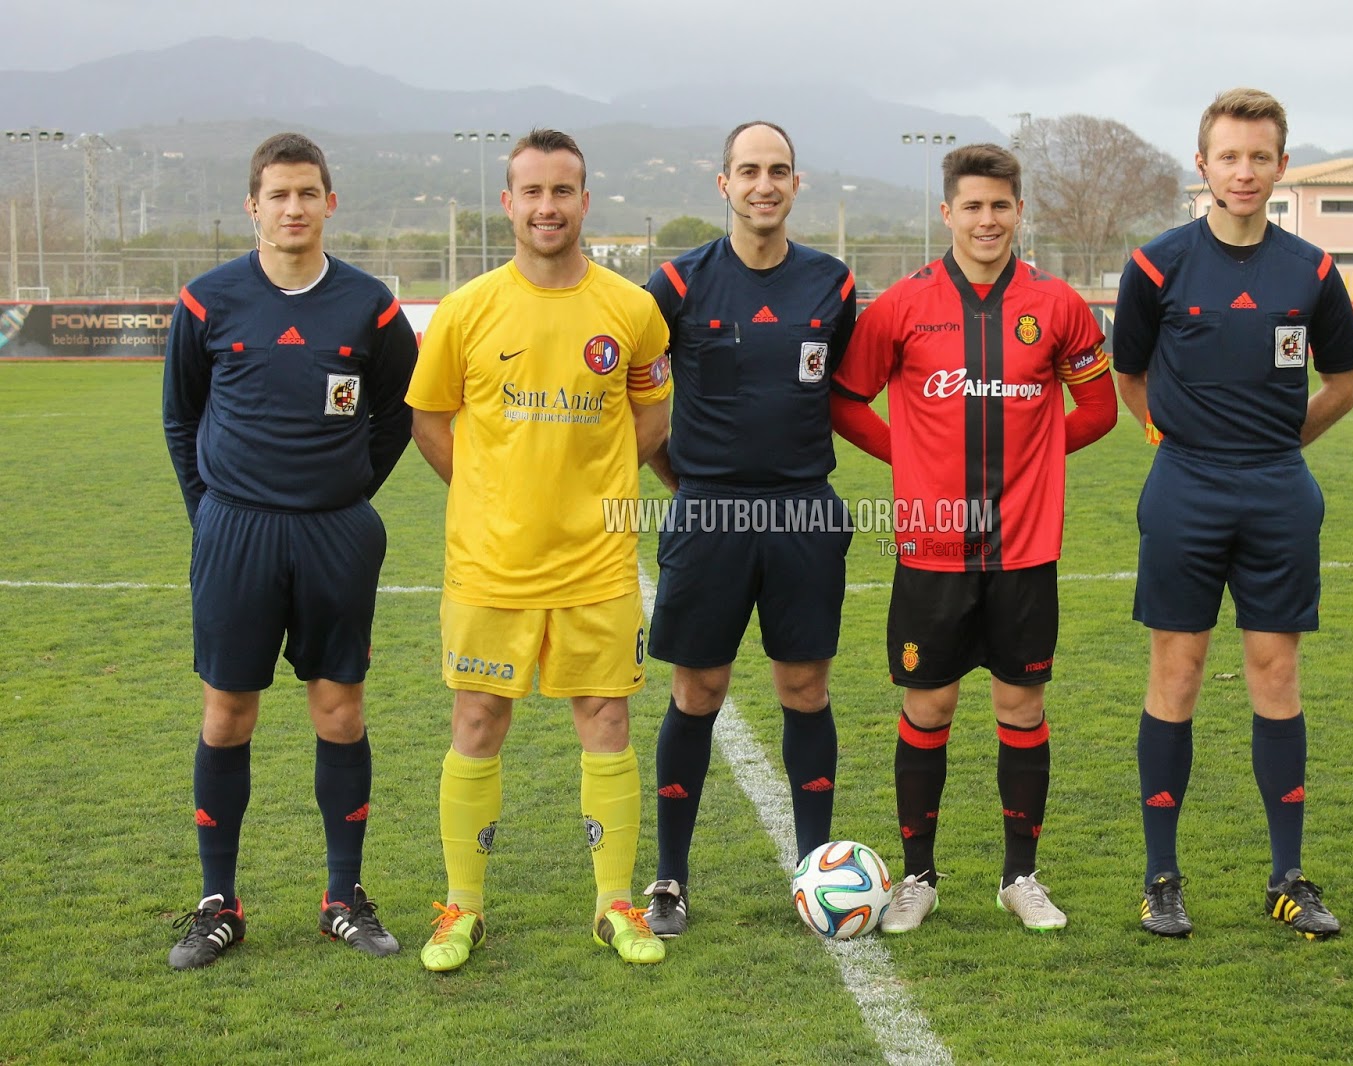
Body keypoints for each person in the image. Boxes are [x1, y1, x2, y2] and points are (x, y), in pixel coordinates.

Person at [830, 143, 1117, 933]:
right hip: (933, 548)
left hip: (1025, 548)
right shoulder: (901, 306)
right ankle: (918, 875)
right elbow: (848, 401)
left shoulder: (1057, 306)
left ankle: (1020, 877)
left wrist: (1035, 458)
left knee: (1021, 705)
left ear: (1019, 212)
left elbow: (1098, 410)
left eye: (1001, 206)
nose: (987, 219)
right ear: (947, 212)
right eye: (973, 206)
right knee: (930, 703)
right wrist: (911, 459)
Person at [407, 128, 673, 970]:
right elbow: (430, 420)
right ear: (508, 203)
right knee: (479, 719)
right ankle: (462, 908)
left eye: (563, 191)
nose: (547, 206)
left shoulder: (630, 310)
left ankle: (614, 904)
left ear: (585, 201)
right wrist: (493, 499)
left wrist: (591, 497)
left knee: (606, 718)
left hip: (597, 564)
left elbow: (653, 418)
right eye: (532, 192)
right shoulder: (466, 309)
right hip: (492, 565)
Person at [1112, 87, 1353, 939]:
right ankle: (1161, 878)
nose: (1245, 171)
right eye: (1230, 156)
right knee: (1176, 674)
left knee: (1276, 675)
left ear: (1282, 166)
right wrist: (1175, 443)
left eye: (1261, 157)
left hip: (1278, 490)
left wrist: (1274, 446)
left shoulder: (1313, 270)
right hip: (1184, 487)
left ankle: (1287, 877)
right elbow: (1131, 376)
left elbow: (1343, 385)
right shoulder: (1156, 265)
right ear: (1203, 165)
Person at [161, 132, 417, 969]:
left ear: (330, 202)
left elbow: (396, 415)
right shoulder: (207, 301)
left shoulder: (370, 306)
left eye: (308, 193)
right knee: (227, 712)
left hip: (336, 532)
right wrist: (213, 515)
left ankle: (342, 898)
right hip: (235, 530)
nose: (294, 208)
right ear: (253, 205)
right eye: (278, 195)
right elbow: (181, 419)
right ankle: (217, 904)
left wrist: (344, 497)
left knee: (340, 710)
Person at [639, 121, 857, 938]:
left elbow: (840, 390)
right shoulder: (676, 283)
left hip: (803, 509)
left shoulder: (832, 285)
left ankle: (815, 871)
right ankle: (668, 878)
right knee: (697, 691)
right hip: (710, 514)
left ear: (795, 185)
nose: (764, 184)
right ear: (722, 185)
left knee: (805, 689)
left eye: (779, 171)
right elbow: (638, 389)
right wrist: (689, 483)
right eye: (749, 171)